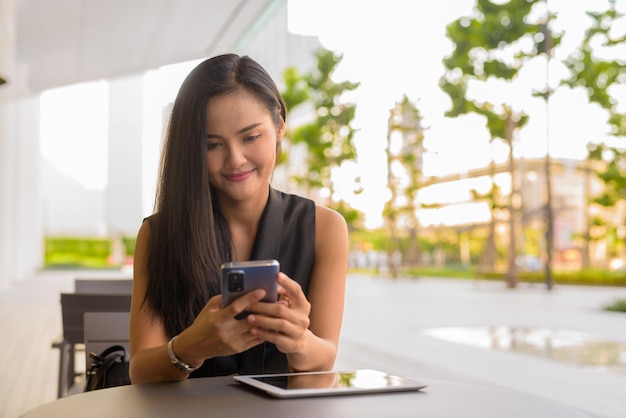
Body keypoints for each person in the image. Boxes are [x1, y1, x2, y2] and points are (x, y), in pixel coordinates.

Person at [129, 53, 349, 384]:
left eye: (250, 137)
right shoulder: (159, 234)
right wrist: (191, 347)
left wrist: (299, 340)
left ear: (279, 129)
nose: (235, 159)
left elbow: (325, 357)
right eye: (212, 144)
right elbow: (140, 371)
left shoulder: (325, 229)